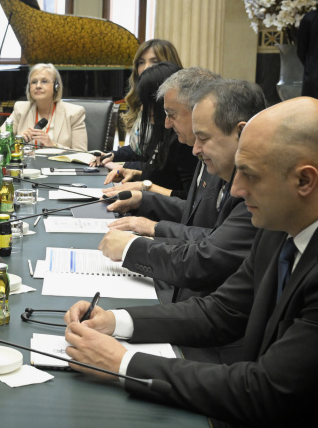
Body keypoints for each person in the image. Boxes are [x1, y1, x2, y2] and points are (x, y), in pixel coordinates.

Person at [64, 97, 318, 428]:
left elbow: (267, 392)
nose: (236, 189)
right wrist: (116, 321)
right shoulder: (281, 225)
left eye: (249, 175)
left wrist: (123, 364)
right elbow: (222, 312)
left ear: (305, 181)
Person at [99, 78, 264, 303]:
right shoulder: (216, 157)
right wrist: (145, 202)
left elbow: (208, 254)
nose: (196, 148)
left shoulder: (255, 190)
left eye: (172, 114)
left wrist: (136, 244)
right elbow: (199, 220)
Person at [106, 67, 223, 231]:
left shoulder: (220, 161)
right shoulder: (196, 147)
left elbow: (212, 241)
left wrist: (152, 228)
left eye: (171, 114)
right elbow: (193, 211)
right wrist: (142, 199)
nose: (167, 123)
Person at [103, 63, 197, 196]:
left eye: (147, 103)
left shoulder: (183, 138)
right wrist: (136, 174)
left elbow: (189, 200)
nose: (143, 109)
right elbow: (166, 178)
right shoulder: (167, 133)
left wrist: (145, 186)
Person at [91, 39, 183, 166]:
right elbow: (140, 151)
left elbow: (159, 165)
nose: (146, 68)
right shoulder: (143, 102)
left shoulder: (177, 112)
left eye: (154, 62)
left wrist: (124, 167)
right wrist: (113, 155)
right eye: (141, 62)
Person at [2, 63, 87, 150]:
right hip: (27, 163)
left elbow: (81, 153)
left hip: (56, 163)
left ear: (56, 87)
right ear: (29, 88)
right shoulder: (20, 109)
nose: (38, 86)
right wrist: (17, 141)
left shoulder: (74, 113)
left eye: (44, 81)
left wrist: (52, 145)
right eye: (34, 82)